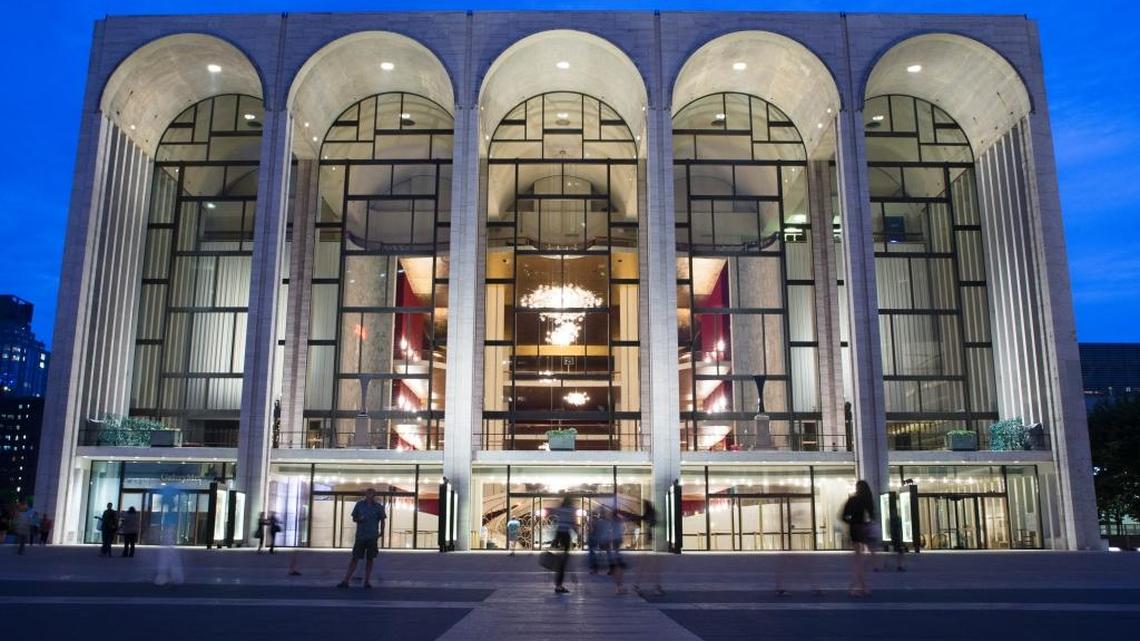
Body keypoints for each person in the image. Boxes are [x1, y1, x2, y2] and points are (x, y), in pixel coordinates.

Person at [337, 488, 386, 589]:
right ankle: (346, 580)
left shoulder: (378, 507)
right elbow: (354, 518)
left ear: (374, 495)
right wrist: (359, 519)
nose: (369, 495)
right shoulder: (359, 505)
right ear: (365, 494)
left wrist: (382, 532)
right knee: (355, 557)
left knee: (370, 558)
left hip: (372, 536)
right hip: (361, 535)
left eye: (371, 493)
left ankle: (366, 581)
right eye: (368, 493)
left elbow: (382, 520)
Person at [841, 480, 877, 596]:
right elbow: (872, 517)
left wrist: (852, 522)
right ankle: (861, 586)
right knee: (864, 559)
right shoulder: (868, 500)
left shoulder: (853, 500)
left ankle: (859, 587)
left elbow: (843, 516)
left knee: (858, 559)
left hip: (855, 530)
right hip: (865, 530)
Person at [633, 499, 664, 596]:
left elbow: (642, 520)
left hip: (647, 544)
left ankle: (638, 585)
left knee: (645, 566)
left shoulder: (646, 515)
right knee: (653, 567)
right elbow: (655, 523)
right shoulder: (651, 515)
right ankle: (655, 587)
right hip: (649, 544)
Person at [551, 496, 575, 594]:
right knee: (564, 561)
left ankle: (558, 584)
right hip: (565, 535)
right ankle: (559, 585)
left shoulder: (560, 509)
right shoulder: (570, 510)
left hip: (559, 535)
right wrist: (578, 533)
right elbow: (572, 523)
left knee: (562, 561)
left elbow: (556, 516)